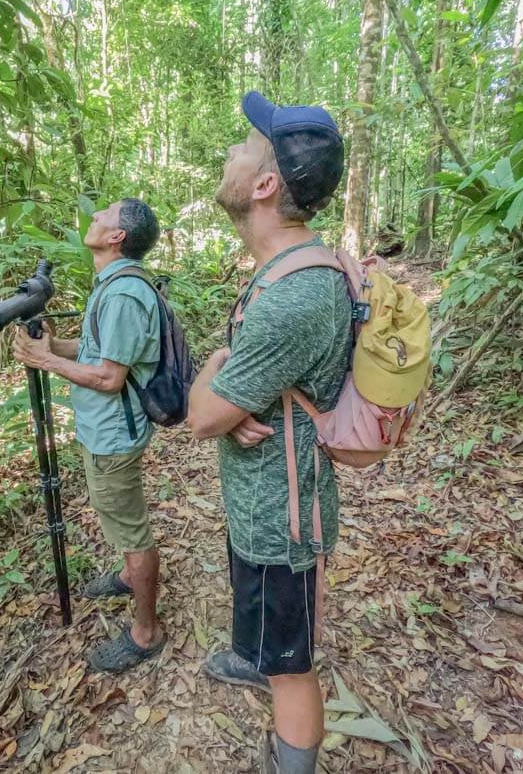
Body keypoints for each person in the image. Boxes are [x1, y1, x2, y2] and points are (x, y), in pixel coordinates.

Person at [187, 92, 349, 773]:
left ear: (265, 183)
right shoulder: (286, 270)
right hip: (262, 505)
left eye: (244, 145)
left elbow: (201, 418)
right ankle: (252, 655)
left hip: (285, 518)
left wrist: (218, 365)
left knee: (293, 664)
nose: (231, 149)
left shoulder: (292, 296)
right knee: (267, 631)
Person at [12, 198, 166, 673]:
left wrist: (45, 362)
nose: (94, 218)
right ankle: (126, 575)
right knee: (118, 519)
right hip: (102, 431)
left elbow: (108, 377)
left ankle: (146, 632)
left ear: (118, 237)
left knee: (131, 529)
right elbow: (98, 348)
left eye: (105, 216)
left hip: (114, 436)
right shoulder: (112, 285)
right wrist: (53, 347)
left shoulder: (122, 294)